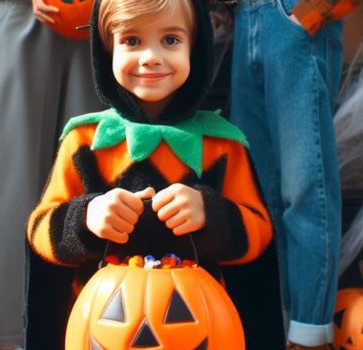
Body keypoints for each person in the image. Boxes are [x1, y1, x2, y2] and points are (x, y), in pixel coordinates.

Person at [26, 0, 285, 348]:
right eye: (132, 41)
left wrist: (211, 214)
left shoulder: (223, 147)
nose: (151, 56)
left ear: (197, 46)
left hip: (198, 326)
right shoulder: (84, 142)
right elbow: (39, 229)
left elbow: (260, 235)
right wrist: (85, 218)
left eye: (171, 40)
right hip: (102, 327)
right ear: (106, 49)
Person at [0, 0, 103, 348]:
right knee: (11, 185)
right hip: (18, 11)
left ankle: (94, 334)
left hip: (100, 18)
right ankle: (12, 340)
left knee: (94, 185)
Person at [229, 0, 361, 349]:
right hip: (245, 19)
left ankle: (309, 336)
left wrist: (310, 11)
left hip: (293, 17)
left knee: (305, 187)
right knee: (255, 192)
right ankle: (270, 331)